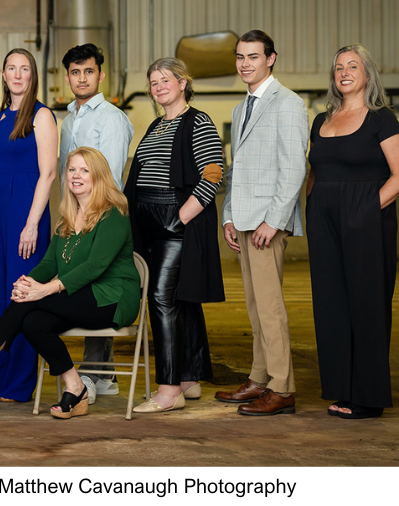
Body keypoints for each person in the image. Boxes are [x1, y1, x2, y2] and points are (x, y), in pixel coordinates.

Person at [0, 147, 139, 420]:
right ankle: (75, 387)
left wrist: (46, 289)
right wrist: (28, 282)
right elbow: (49, 265)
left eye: (84, 170)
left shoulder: (113, 214)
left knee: (32, 302)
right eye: (72, 170)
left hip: (113, 298)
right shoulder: (67, 217)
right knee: (33, 322)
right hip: (80, 295)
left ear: (99, 176)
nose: (76, 176)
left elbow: (95, 267)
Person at [124, 57, 225, 413]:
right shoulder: (155, 126)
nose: (158, 86)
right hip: (149, 222)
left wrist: (179, 218)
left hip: (175, 222)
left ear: (183, 83)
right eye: (153, 82)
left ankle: (168, 391)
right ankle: (189, 378)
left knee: (161, 299)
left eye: (165, 79)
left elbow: (213, 173)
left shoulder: (198, 121)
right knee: (182, 300)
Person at [216, 30, 308, 416]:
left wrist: (275, 219)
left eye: (253, 57)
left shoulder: (288, 103)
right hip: (246, 218)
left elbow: (294, 166)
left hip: (269, 221)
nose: (245, 64)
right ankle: (260, 378)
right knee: (254, 306)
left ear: (271, 58)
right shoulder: (242, 108)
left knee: (270, 308)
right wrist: (230, 215)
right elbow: (237, 169)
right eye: (240, 57)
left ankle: (283, 387)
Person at [307, 43, 399, 420]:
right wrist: (312, 210)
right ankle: (342, 388)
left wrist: (364, 211)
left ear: (367, 74)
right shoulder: (321, 121)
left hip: (366, 220)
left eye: (353, 66)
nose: (344, 72)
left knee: (367, 305)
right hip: (323, 221)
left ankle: (368, 397)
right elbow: (315, 173)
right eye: (339, 67)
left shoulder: (382, 118)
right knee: (331, 305)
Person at [0, 48, 57, 402]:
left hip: (27, 212)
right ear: (4, 75)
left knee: (21, 294)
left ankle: (21, 382)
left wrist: (32, 223)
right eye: (12, 68)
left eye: (25, 68)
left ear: (32, 75)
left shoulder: (42, 116)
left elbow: (49, 173)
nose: (18, 74)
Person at [58, 43, 134, 404]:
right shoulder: (69, 120)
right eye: (75, 72)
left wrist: (93, 221)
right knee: (83, 289)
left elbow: (112, 178)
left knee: (93, 287)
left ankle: (92, 373)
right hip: (73, 217)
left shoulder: (112, 119)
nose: (82, 77)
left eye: (88, 71)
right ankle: (104, 375)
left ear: (100, 74)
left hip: (99, 218)